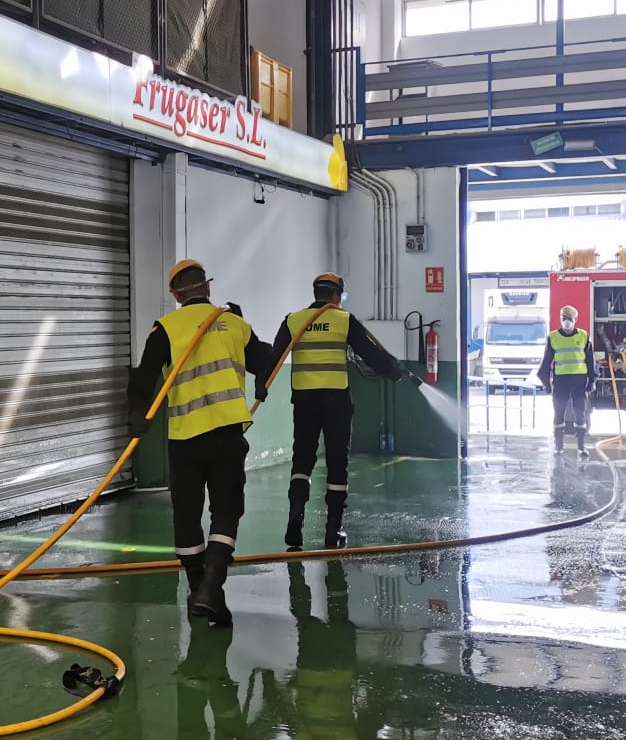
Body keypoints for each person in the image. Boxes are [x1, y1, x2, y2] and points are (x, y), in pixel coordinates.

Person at [128, 259, 272, 627]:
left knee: (186, 514)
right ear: (208, 288)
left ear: (175, 296)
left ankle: (200, 592)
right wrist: (246, 329)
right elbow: (265, 362)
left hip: (185, 438)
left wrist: (137, 420)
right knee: (226, 510)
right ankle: (211, 589)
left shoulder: (166, 328)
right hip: (226, 434)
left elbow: (143, 379)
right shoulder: (235, 324)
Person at [271, 273, 413, 551]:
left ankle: (294, 522)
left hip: (303, 402)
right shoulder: (344, 320)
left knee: (302, 461)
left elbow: (273, 356)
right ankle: (333, 531)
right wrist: (395, 371)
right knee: (337, 464)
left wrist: (262, 386)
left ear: (316, 294)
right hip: (336, 402)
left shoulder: (293, 321)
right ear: (336, 295)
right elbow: (371, 354)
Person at [538, 305, 597, 459]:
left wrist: (592, 380)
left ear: (575, 320)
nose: (566, 322)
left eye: (569, 319)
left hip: (579, 381)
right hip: (561, 381)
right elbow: (546, 362)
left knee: (580, 413)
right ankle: (558, 447)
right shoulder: (553, 337)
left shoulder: (584, 336)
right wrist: (546, 383)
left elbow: (591, 361)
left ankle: (581, 446)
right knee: (559, 413)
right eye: (563, 318)